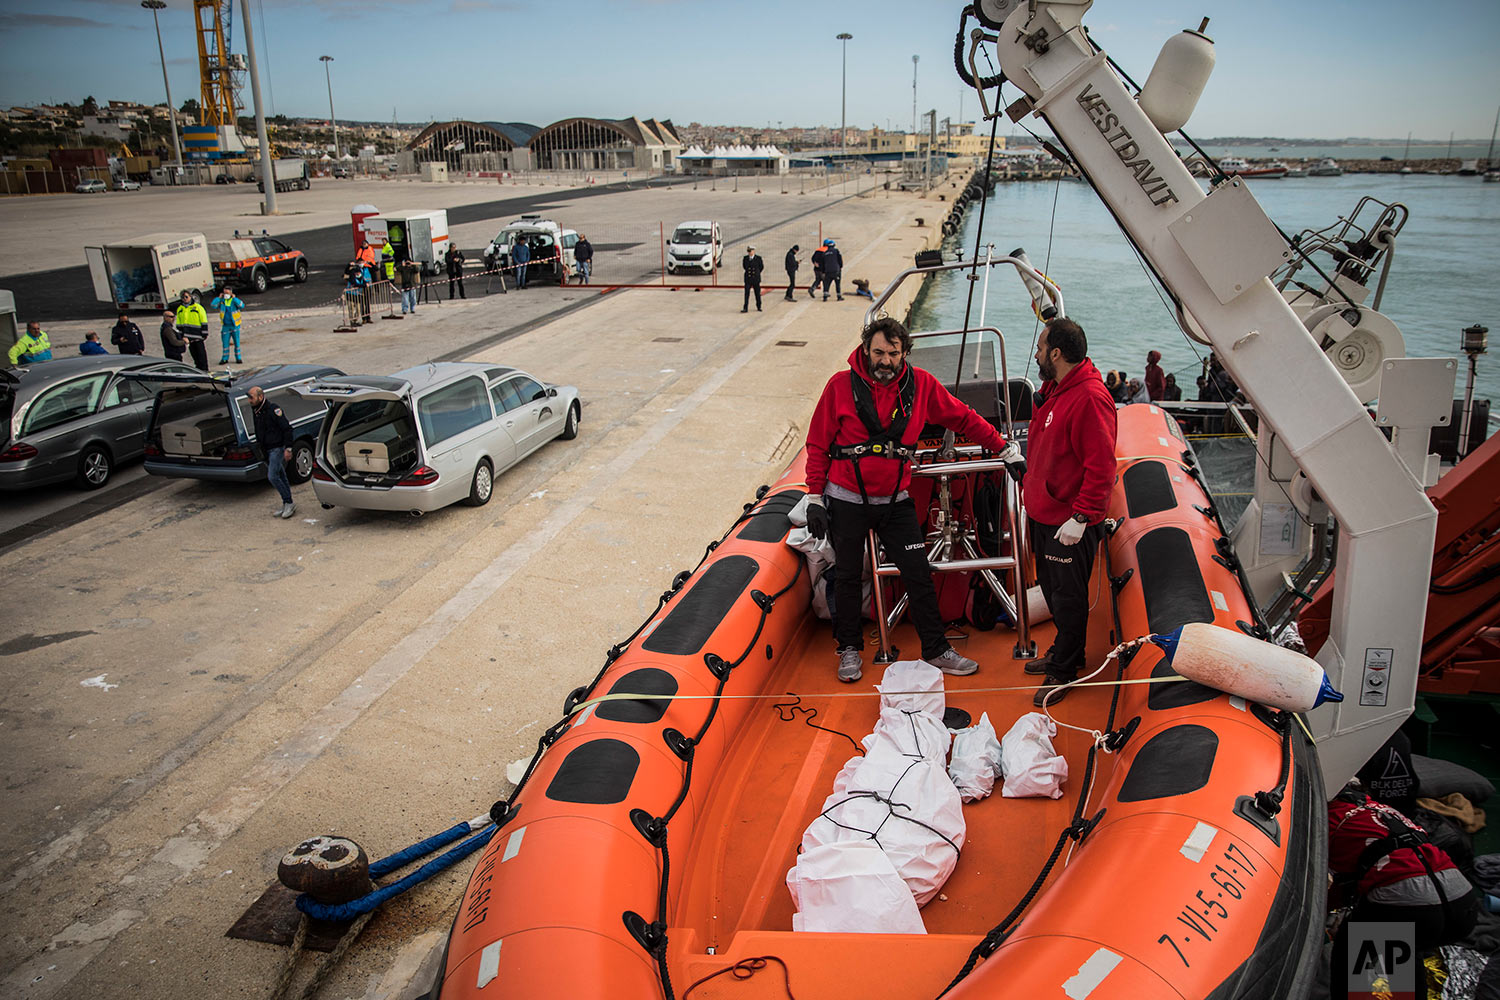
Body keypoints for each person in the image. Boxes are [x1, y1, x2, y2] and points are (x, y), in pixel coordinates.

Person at [803, 316, 1026, 683]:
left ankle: (936, 649)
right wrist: (814, 496)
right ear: (865, 349)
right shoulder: (839, 387)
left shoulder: (921, 385)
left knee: (918, 573)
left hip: (895, 500)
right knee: (844, 576)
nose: (884, 360)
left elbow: (963, 418)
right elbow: (817, 443)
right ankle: (848, 650)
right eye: (878, 352)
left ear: (905, 353)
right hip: (846, 498)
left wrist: (1004, 449)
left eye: (893, 353)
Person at [1022, 318, 1118, 706]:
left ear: (1056, 353)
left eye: (1042, 348)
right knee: (1052, 589)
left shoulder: (1090, 398)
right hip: (1045, 516)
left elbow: (1101, 466)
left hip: (1067, 523)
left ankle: (1064, 670)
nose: (1036, 353)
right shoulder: (1057, 391)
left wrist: (1081, 518)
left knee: (1067, 595)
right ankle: (1065, 651)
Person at [248, 385, 297, 519]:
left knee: (273, 476)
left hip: (277, 448)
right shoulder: (257, 410)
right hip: (267, 449)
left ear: (260, 396)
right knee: (280, 475)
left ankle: (288, 501)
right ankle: (287, 502)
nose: (249, 400)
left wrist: (288, 448)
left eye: (251, 397)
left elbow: (287, 429)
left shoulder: (273, 410)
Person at [174, 290, 210, 371]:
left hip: (198, 336)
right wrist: (181, 335)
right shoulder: (180, 309)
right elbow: (179, 323)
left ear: (190, 297)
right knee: (194, 356)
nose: (185, 299)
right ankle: (198, 370)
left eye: (186, 297)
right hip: (188, 337)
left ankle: (205, 370)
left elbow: (203, 320)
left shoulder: (198, 307)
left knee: (201, 356)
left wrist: (204, 333)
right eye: (183, 297)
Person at [209, 286, 245, 363]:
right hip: (225, 326)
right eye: (225, 293)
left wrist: (235, 298)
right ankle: (225, 358)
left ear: (231, 293)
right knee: (225, 343)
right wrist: (218, 298)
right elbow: (213, 305)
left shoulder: (234, 301)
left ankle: (238, 357)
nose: (226, 295)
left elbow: (242, 305)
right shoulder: (222, 301)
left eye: (227, 293)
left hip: (235, 325)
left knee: (237, 343)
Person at [343, 260, 371, 325]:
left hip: (357, 295)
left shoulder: (361, 277)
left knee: (358, 310)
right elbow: (355, 284)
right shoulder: (352, 277)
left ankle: (355, 320)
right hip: (350, 295)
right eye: (357, 273)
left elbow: (364, 282)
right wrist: (364, 285)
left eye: (359, 273)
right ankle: (352, 322)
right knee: (351, 309)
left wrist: (366, 284)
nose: (358, 274)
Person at [741, 245, 764, 312]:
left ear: (753, 251)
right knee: (746, 294)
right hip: (748, 278)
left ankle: (759, 306)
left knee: (757, 293)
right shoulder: (745, 258)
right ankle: (745, 307)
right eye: (748, 251)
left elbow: (761, 267)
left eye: (750, 251)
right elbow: (745, 267)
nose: (749, 253)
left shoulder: (758, 258)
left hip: (755, 278)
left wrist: (757, 273)